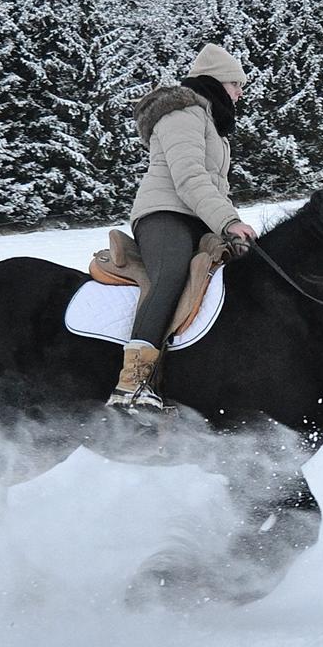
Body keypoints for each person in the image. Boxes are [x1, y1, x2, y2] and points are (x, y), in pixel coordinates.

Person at [107, 43, 258, 411]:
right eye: (236, 84)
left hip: (201, 219)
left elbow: (213, 187)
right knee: (172, 273)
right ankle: (133, 383)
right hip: (165, 214)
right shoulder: (182, 112)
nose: (240, 93)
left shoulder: (212, 126)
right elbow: (189, 178)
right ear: (218, 82)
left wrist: (229, 226)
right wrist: (229, 222)